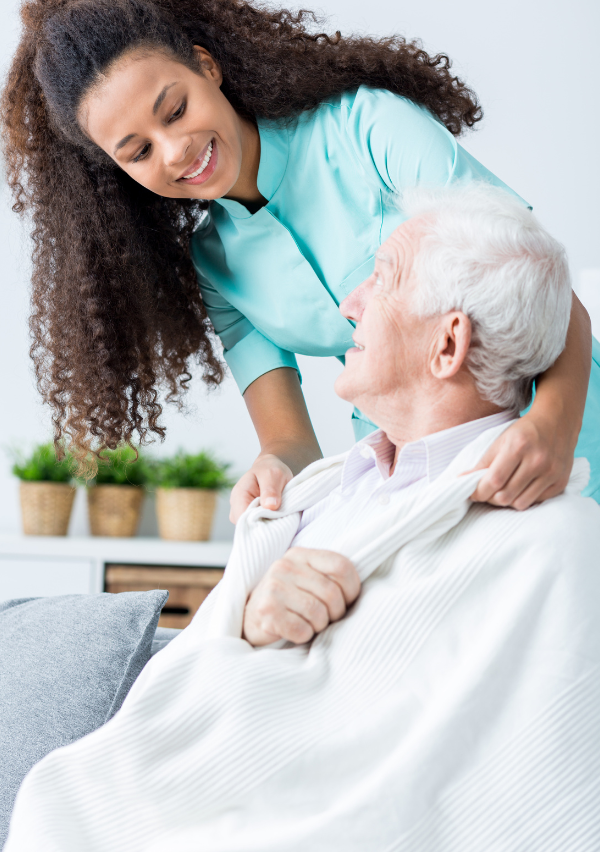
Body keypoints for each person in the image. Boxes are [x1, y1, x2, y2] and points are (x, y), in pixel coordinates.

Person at [8, 184, 600, 852]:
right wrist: (253, 618)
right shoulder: (312, 495)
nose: (351, 305)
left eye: (380, 281)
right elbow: (193, 690)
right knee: (58, 797)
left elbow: (490, 773)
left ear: (447, 345)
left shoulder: (553, 539)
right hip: (172, 803)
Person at [2, 0, 598, 519]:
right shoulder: (214, 265)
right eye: (139, 151)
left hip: (564, 412)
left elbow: (542, 284)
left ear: (206, 67)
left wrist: (553, 424)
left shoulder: (367, 128)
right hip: (414, 469)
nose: (175, 149)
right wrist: (272, 469)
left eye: (176, 109)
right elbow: (291, 443)